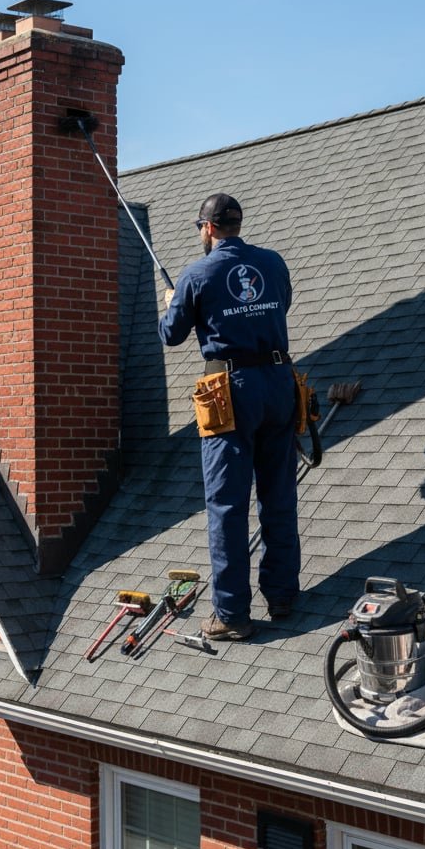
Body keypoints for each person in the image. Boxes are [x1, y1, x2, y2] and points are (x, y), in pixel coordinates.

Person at [159, 193, 300, 641]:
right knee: (279, 495)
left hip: (231, 391)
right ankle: (282, 596)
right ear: (236, 224)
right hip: (279, 384)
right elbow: (281, 305)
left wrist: (173, 301)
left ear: (208, 228)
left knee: (226, 504)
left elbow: (172, 335)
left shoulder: (197, 273)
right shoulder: (273, 263)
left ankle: (232, 615)